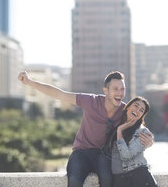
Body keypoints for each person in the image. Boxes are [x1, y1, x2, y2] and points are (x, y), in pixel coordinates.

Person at [18, 71, 153, 187]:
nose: (120, 93)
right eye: (115, 89)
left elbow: (137, 124)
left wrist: (149, 141)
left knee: (108, 180)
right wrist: (30, 82)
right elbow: (59, 94)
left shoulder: (125, 109)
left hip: (104, 155)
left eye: (122, 89)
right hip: (81, 151)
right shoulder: (90, 101)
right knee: (74, 180)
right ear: (105, 90)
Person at [103, 96, 158, 187]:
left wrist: (120, 131)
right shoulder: (116, 124)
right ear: (128, 106)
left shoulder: (142, 132)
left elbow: (126, 156)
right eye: (136, 106)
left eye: (141, 110)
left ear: (142, 115)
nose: (137, 110)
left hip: (139, 178)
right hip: (119, 179)